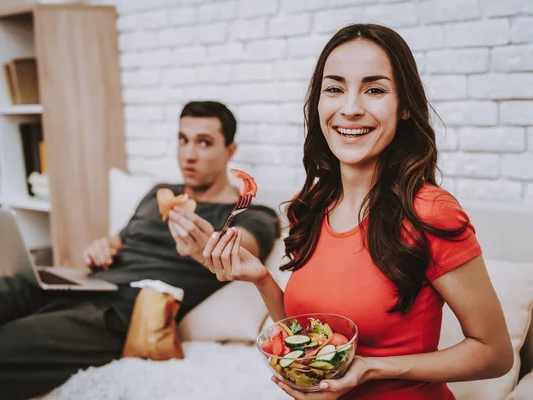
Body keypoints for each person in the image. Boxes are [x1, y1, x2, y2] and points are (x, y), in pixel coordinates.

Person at [203, 24, 513, 400]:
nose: (350, 109)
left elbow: (495, 354)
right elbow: (310, 335)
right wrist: (261, 278)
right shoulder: (312, 205)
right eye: (334, 88)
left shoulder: (430, 212)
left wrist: (371, 368)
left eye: (375, 90)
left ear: (404, 109)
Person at [0, 101, 280, 400]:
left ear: (230, 150)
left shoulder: (253, 215)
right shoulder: (158, 192)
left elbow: (241, 250)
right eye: (183, 140)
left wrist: (205, 247)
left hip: (118, 314)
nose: (189, 153)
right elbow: (120, 239)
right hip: (83, 284)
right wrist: (102, 247)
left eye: (204, 143)